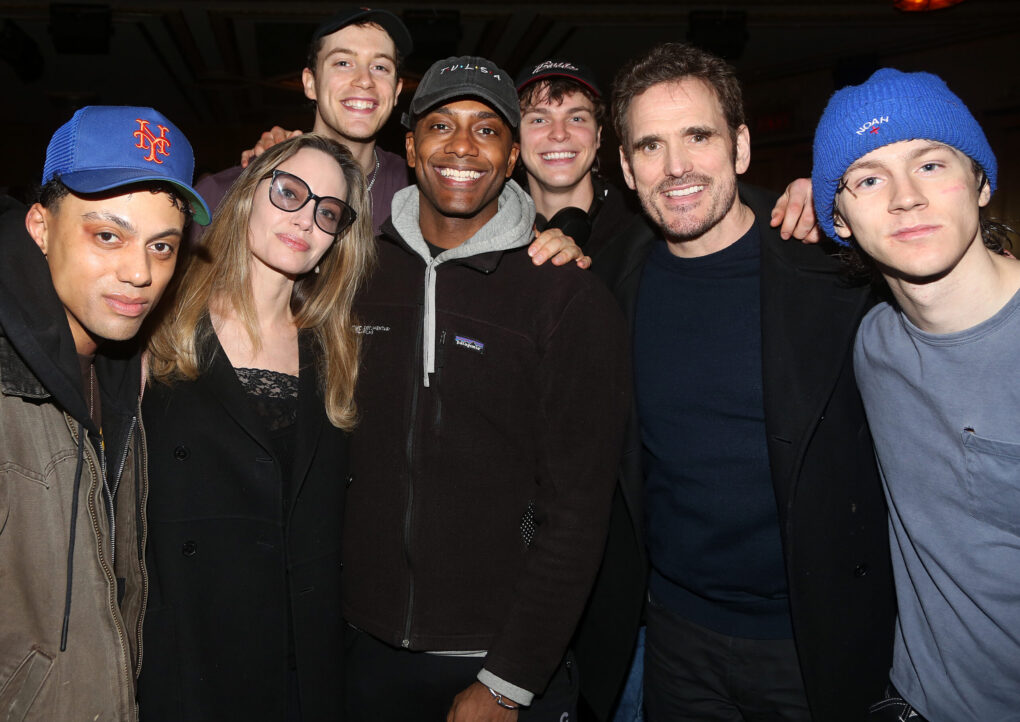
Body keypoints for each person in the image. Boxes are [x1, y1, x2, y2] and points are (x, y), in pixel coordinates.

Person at [605, 42, 896, 721]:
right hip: (674, 636)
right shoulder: (608, 278)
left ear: (739, 146)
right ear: (625, 167)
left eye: (697, 136)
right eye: (650, 146)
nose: (675, 167)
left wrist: (833, 202)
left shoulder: (830, 264)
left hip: (812, 641)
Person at [341, 55, 630, 721]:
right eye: (441, 125)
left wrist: (509, 681)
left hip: (499, 659)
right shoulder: (358, 277)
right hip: (362, 650)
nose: (462, 148)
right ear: (410, 150)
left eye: (488, 129)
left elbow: (579, 514)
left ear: (511, 154)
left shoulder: (565, 295)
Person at [138, 134, 374, 720]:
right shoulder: (161, 323)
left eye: (327, 212)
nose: (305, 220)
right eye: (289, 192)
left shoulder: (337, 348)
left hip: (301, 657)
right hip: (188, 647)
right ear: (248, 196)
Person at [812, 68, 1020, 721]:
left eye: (931, 165)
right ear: (839, 219)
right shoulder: (873, 343)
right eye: (870, 178)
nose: (905, 198)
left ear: (982, 183)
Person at [0, 105, 208, 721]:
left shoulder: (120, 375)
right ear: (40, 226)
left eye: (162, 246)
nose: (139, 272)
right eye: (108, 235)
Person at [194, 6, 413, 236]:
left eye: (380, 67)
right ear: (310, 83)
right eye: (343, 63)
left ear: (396, 91)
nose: (364, 80)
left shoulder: (418, 193)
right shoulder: (223, 196)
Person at [515, 59, 640, 278]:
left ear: (599, 135)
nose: (560, 133)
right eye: (539, 120)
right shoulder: (491, 232)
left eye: (576, 118)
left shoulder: (642, 231)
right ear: (516, 139)